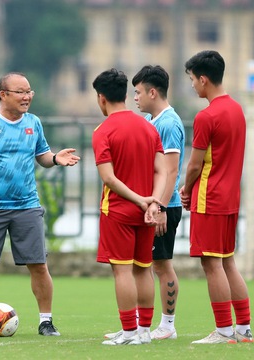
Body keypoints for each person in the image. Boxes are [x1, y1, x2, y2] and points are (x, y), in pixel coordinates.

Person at [0, 72, 80, 337]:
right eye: (20, 92)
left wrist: (55, 158)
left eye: (29, 91)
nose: (27, 96)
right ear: (3, 95)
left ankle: (46, 322)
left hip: (27, 206)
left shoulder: (33, 122)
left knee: (39, 265)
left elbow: (41, 155)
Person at [180, 50, 253, 344]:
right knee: (228, 262)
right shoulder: (236, 109)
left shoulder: (207, 115)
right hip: (231, 198)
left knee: (211, 264)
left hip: (209, 199)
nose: (192, 86)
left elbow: (195, 164)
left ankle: (224, 330)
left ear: (203, 79)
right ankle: (243, 328)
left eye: (192, 80)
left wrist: (186, 189)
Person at [91, 68, 166, 345]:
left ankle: (129, 331)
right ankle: (144, 331)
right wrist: (154, 203)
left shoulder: (103, 131)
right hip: (147, 212)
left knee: (122, 271)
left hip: (119, 211)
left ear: (101, 98)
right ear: (124, 94)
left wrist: (139, 200)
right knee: (143, 268)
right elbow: (162, 171)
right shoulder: (148, 126)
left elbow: (108, 177)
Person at [132, 65, 185, 340]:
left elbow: (172, 170)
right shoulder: (154, 121)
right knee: (149, 264)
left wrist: (161, 207)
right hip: (155, 204)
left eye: (138, 92)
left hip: (165, 206)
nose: (135, 98)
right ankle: (141, 325)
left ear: (153, 92)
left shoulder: (168, 122)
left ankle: (167, 326)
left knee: (161, 264)